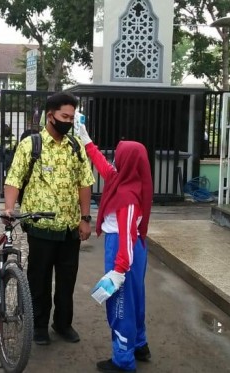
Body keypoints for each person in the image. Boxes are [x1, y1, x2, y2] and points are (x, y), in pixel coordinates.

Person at [3, 92, 95, 345]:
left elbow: (84, 183)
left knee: (67, 281)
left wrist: (85, 218)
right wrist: (9, 208)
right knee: (39, 279)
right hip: (41, 228)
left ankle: (63, 324)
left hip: (69, 228)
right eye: (64, 116)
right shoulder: (31, 145)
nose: (68, 121)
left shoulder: (75, 147)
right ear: (50, 115)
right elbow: (14, 178)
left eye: (71, 118)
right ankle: (39, 325)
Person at [77, 125, 153, 373]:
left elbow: (128, 236)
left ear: (126, 162)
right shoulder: (125, 179)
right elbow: (103, 167)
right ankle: (139, 345)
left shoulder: (127, 196)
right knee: (135, 299)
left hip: (124, 251)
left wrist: (118, 271)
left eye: (118, 157)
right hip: (132, 249)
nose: (113, 161)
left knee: (120, 304)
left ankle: (123, 361)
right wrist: (87, 141)